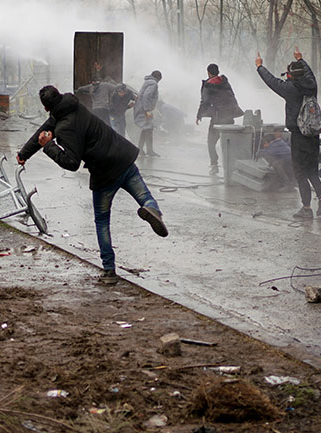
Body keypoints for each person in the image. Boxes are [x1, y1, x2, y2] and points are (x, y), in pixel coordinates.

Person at [16, 85, 168, 285]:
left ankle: (109, 270)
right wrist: (25, 153)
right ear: (60, 96)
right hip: (124, 158)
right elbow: (44, 129)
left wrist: (49, 146)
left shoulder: (63, 128)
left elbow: (72, 163)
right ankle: (153, 210)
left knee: (102, 221)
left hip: (104, 174)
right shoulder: (74, 105)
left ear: (46, 108)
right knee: (145, 198)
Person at [256, 47, 321, 219]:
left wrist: (260, 67)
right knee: (312, 171)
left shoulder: (289, 88)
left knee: (300, 173)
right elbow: (309, 74)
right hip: (313, 135)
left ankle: (306, 208)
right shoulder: (312, 86)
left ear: (290, 75)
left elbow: (272, 81)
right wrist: (301, 59)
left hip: (298, 136)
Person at [196, 63, 244, 175]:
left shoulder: (208, 85)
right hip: (230, 117)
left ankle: (214, 165)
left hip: (217, 118)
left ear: (208, 73)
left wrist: (199, 115)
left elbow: (205, 101)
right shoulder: (225, 82)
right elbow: (232, 97)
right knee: (229, 142)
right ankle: (232, 166)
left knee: (211, 142)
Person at [134, 70, 162, 157]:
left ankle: (140, 149)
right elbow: (146, 96)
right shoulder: (153, 83)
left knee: (146, 128)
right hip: (144, 110)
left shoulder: (148, 82)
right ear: (158, 78)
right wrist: (147, 110)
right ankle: (149, 150)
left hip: (141, 108)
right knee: (149, 128)